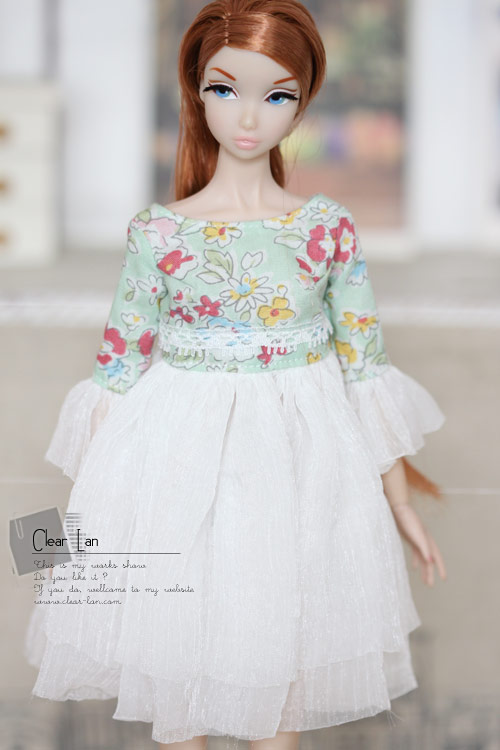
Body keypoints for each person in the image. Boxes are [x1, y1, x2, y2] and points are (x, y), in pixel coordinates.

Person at [24, 2, 447, 748]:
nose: (249, 116)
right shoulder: (159, 231)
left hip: (300, 471)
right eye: (225, 89)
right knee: (176, 677)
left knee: (281, 678)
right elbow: (115, 378)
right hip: (176, 467)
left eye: (277, 95)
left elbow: (364, 370)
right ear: (196, 92)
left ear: (302, 104)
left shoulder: (325, 229)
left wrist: (400, 502)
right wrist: (76, 540)